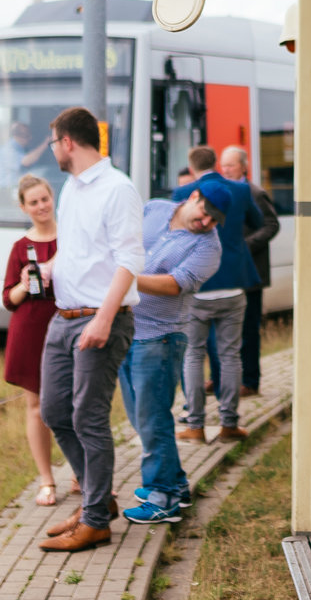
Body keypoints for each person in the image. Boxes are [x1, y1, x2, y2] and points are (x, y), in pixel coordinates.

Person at [37, 106, 143, 553]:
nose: (52, 151)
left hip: (101, 321)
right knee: (55, 412)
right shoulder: (71, 188)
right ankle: (98, 499)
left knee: (89, 418)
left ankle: (96, 518)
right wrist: (51, 267)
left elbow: (130, 259)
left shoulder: (118, 190)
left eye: (52, 142)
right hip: (62, 319)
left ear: (67, 143)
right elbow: (79, 247)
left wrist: (103, 316)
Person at [118, 188, 219, 525]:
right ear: (193, 196)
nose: (205, 222)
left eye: (214, 220)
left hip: (161, 338)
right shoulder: (154, 209)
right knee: (140, 416)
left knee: (154, 418)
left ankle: (162, 498)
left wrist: (125, 278)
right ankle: (175, 482)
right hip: (127, 329)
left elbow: (176, 285)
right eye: (204, 212)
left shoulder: (208, 247)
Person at [172, 145, 258, 441]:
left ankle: (195, 426)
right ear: (217, 163)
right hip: (233, 284)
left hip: (197, 286)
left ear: (192, 166)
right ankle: (229, 424)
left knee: (194, 355)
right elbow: (259, 224)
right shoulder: (240, 191)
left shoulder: (183, 192)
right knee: (231, 355)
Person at [0, 173, 63, 508]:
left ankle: (83, 475)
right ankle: (47, 480)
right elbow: (9, 298)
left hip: (67, 324)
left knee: (76, 405)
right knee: (36, 407)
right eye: (33, 202)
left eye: (45, 199)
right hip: (30, 330)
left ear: (53, 198)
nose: (41, 206)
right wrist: (24, 283)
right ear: (24, 208)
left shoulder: (71, 237)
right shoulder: (20, 248)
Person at [218, 144, 278, 394]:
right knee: (225, 330)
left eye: (231, 165)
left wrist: (246, 245)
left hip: (251, 273)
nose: (226, 170)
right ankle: (226, 378)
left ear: (244, 166)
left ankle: (250, 382)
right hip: (228, 273)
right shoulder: (221, 191)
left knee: (248, 329)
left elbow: (272, 225)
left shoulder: (255, 192)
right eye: (223, 165)